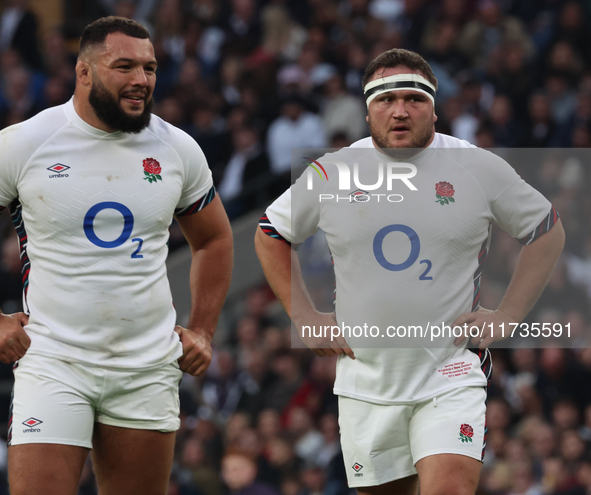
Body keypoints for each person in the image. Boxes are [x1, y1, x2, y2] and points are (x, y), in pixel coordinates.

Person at [255, 48, 565, 495]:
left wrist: (508, 315)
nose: (399, 110)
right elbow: (270, 233)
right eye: (385, 99)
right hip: (366, 382)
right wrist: (303, 315)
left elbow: (547, 231)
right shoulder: (333, 171)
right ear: (367, 113)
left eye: (413, 98)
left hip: (450, 375)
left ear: (435, 108)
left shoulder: (476, 166)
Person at [0, 16, 233, 495]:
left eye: (148, 68)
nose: (140, 80)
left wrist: (204, 330)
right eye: (123, 66)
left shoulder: (176, 148)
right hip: (54, 359)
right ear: (83, 72)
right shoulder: (25, 142)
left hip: (147, 367)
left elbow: (214, 240)